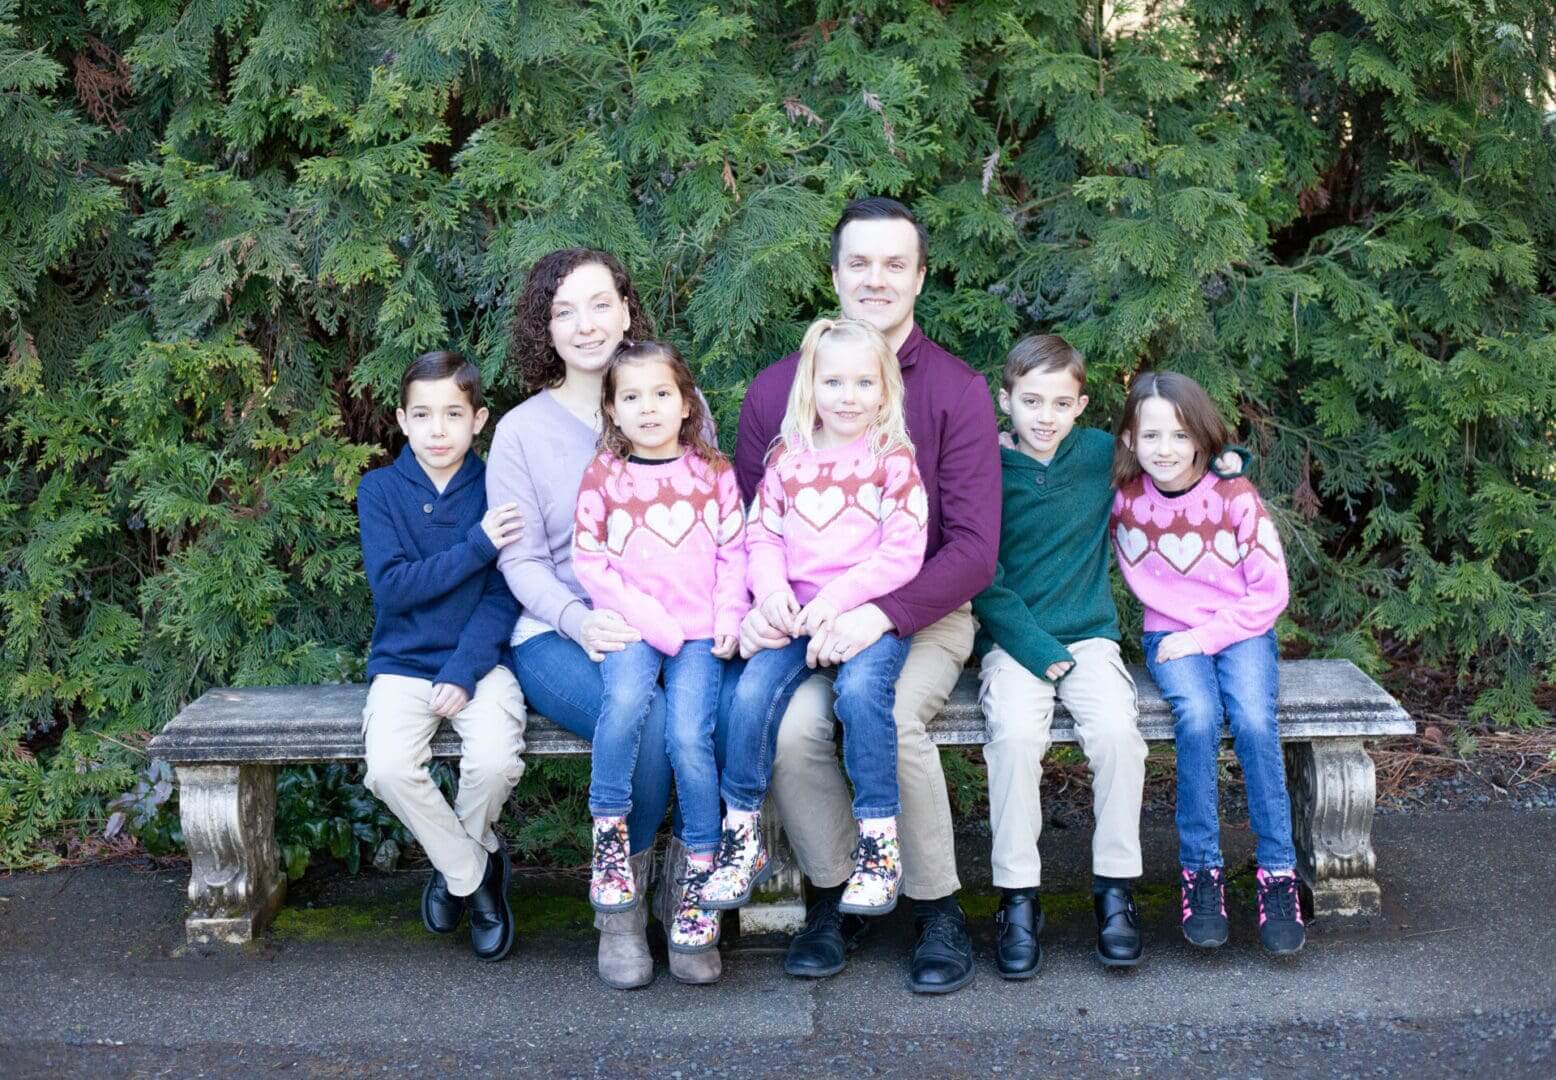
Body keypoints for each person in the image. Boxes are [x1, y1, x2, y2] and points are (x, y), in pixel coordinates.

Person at [733, 197, 999, 994]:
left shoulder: (955, 389)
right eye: (859, 263)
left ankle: (937, 906)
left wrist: (876, 613)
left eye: (894, 264)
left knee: (886, 715)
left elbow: (975, 550)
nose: (875, 279)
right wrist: (766, 603)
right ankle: (835, 894)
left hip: (922, 613)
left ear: (919, 276)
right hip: (809, 613)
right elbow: (756, 526)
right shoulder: (781, 389)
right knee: (793, 728)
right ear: (836, 273)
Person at [973, 336, 1249, 976]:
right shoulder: (984, 465)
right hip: (1015, 642)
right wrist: (1039, 651)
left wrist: (1230, 460)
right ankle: (1018, 898)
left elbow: (1176, 458)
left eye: (1061, 402)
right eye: (1031, 400)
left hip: (1091, 639)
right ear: (1005, 398)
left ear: (1082, 405)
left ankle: (1115, 892)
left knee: (1119, 738)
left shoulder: (1102, 455)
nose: (1045, 415)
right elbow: (980, 574)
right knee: (1013, 737)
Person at [488, 249, 719, 987]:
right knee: (643, 721)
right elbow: (520, 563)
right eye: (563, 311)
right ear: (543, 328)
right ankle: (622, 914)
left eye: (598, 304)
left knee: (692, 717)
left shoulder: (675, 399)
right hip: (560, 628)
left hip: (670, 620)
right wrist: (577, 620)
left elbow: (715, 524)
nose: (584, 325)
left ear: (626, 309)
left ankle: (684, 895)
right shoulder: (521, 432)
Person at [704, 318, 926, 919]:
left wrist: (838, 603)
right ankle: (743, 830)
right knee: (750, 695)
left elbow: (902, 551)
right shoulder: (788, 460)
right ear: (810, 387)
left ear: (885, 390)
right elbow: (763, 537)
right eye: (834, 382)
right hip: (797, 615)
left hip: (864, 619)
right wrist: (771, 592)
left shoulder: (892, 462)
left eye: (862, 383)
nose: (848, 397)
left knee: (859, 693)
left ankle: (878, 840)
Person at [1110, 370, 1305, 956]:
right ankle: (1201, 873)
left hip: (1241, 628)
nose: (1164, 450)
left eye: (1177, 435)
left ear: (1200, 436)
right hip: (1169, 632)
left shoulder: (1233, 496)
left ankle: (1278, 873)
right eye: (1150, 437)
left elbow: (1269, 593)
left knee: (1251, 719)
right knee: (1195, 719)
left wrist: (1207, 637)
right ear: (1128, 440)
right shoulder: (1125, 500)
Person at [572, 340, 747, 958]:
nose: (647, 408)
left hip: (701, 632)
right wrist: (653, 624)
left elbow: (735, 553)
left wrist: (729, 616)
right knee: (622, 705)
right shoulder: (605, 476)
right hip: (632, 626)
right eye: (631, 397)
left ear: (685, 402)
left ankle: (700, 868)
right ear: (612, 411)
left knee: (688, 738)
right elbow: (589, 559)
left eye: (661, 394)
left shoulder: (714, 473)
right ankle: (611, 837)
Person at [356, 350, 528, 962]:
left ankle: (453, 863)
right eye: (422, 415)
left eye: (452, 414)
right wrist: (477, 544)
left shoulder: (498, 487)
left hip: (480, 663)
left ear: (478, 420)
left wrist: (462, 672)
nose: (437, 430)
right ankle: (474, 876)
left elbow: (504, 595)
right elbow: (394, 586)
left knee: (493, 762)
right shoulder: (378, 491)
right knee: (388, 768)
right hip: (401, 665)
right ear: (402, 420)